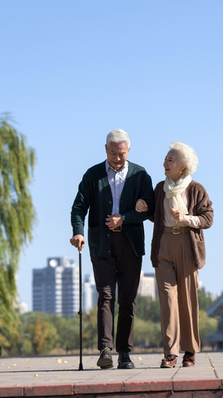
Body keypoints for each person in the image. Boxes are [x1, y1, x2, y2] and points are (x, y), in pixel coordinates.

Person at [70, 129, 155, 370]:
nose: (118, 158)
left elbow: (151, 209)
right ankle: (105, 350)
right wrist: (78, 232)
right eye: (114, 153)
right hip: (101, 244)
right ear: (105, 149)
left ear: (129, 151)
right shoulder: (93, 175)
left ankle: (125, 353)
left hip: (130, 244)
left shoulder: (140, 175)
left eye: (122, 154)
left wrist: (127, 217)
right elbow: (78, 207)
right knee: (106, 297)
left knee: (128, 300)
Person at [135, 141, 213, 368]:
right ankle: (170, 353)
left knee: (187, 301)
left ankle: (190, 351)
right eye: (166, 158)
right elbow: (155, 214)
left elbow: (208, 219)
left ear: (183, 166)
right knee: (167, 300)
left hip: (188, 245)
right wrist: (143, 206)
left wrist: (186, 219)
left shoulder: (196, 189)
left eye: (171, 159)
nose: (165, 163)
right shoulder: (160, 188)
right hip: (164, 244)